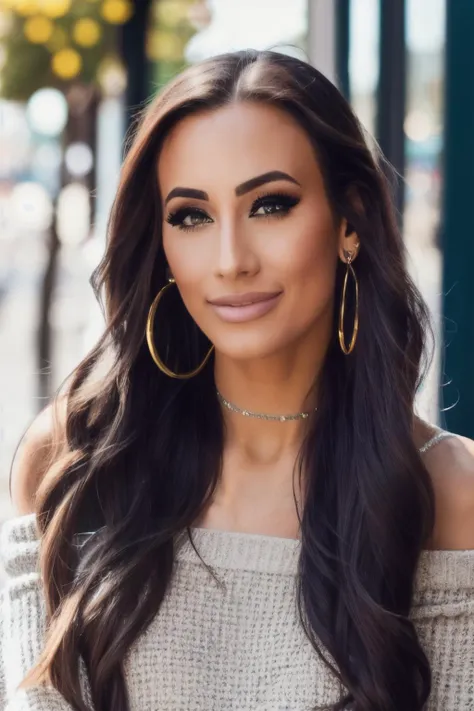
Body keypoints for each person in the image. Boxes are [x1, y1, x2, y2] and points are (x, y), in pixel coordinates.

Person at [1, 49, 473, 711]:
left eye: (271, 205)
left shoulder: (450, 492)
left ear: (350, 220)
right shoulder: (73, 462)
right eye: (191, 216)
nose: (229, 261)